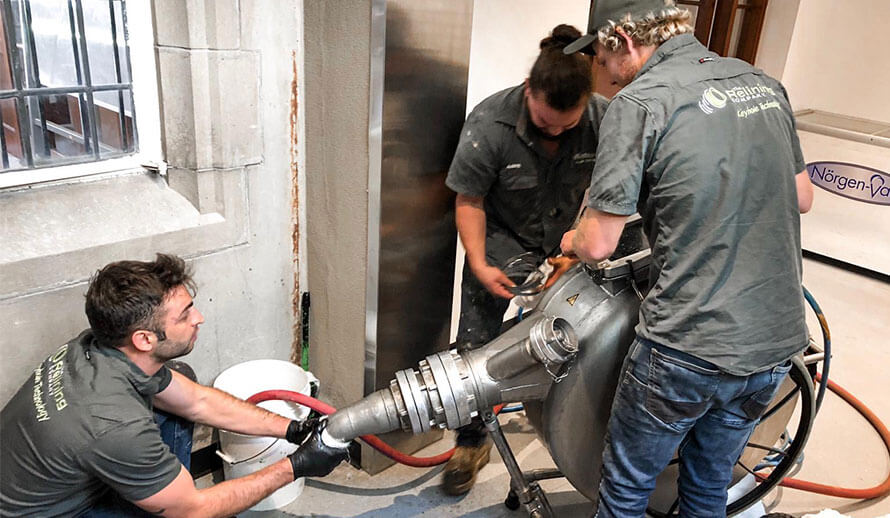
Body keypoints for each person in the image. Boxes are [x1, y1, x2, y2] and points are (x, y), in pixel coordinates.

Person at [560, 1, 815, 516]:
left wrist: (569, 240)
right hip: (774, 342)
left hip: (687, 348)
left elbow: (598, 245)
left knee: (627, 489)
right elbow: (802, 197)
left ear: (622, 42)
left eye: (598, 57)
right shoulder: (760, 82)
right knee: (707, 486)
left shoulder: (638, 103)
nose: (599, 73)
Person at [0, 254, 349, 518]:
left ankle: (161, 489)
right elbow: (193, 509)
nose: (199, 318)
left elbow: (196, 401)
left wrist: (293, 429)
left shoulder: (98, 348)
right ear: (144, 338)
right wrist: (298, 465)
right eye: (184, 315)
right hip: (47, 513)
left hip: (42, 474)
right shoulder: (114, 424)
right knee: (186, 508)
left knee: (180, 382)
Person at [443, 24, 609, 496]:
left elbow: (610, 196)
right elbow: (469, 200)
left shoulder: (606, 120)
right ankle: (471, 442)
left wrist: (577, 249)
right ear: (529, 90)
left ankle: (576, 423)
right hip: (502, 241)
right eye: (544, 123)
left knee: (587, 336)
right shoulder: (489, 124)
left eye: (567, 125)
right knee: (475, 347)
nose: (555, 131)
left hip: (573, 240)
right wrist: (477, 261)